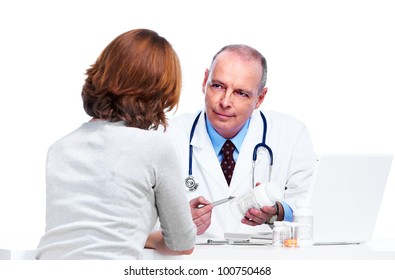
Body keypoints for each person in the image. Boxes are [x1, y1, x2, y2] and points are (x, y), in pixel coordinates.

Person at [36, 29, 196, 259]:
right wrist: (158, 232)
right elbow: (182, 243)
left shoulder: (60, 148)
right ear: (158, 93)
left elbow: (85, 233)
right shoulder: (155, 147)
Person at [168, 44, 316, 239]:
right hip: (195, 263)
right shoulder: (169, 135)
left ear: (260, 98)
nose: (225, 102)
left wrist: (277, 212)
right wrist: (176, 221)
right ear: (205, 81)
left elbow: (310, 205)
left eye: (241, 93)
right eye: (218, 86)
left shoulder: (292, 135)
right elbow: (140, 217)